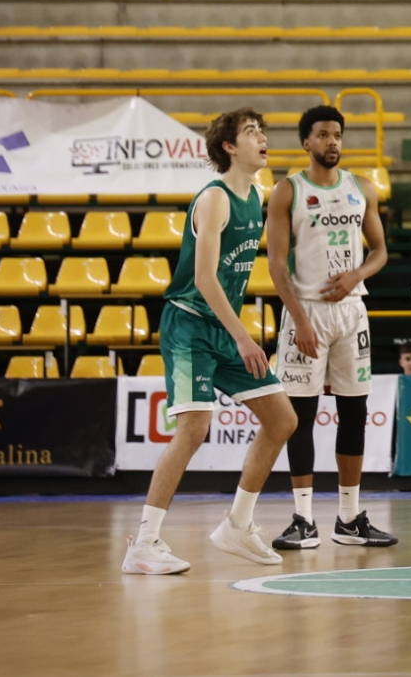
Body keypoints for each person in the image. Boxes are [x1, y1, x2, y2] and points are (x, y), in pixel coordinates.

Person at [121, 109, 298, 576]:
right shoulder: (215, 199)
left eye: (262, 130)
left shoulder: (255, 196)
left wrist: (236, 333)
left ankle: (237, 525)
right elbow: (203, 278)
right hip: (190, 325)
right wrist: (243, 337)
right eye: (251, 132)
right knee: (194, 429)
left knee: (281, 419)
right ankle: (144, 543)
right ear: (229, 147)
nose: (262, 137)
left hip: (223, 328)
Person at [268, 106, 396, 552]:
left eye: (337, 135)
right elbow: (276, 264)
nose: (332, 142)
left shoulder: (362, 188)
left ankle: (349, 518)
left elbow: (380, 252)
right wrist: (299, 319)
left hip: (351, 312)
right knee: (299, 417)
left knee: (355, 413)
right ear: (306, 142)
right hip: (305, 311)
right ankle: (303, 519)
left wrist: (356, 275)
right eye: (323, 135)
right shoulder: (288, 190)